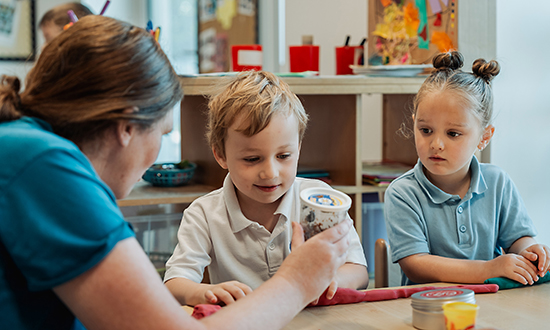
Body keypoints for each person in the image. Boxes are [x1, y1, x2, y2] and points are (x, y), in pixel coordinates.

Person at [0, 15, 353, 330]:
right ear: (127, 125)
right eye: (164, 133)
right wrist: (297, 281)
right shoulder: (43, 167)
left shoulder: (26, 150)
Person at [164, 71, 369, 306]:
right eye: (252, 159)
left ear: (298, 149)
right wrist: (205, 292)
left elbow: (358, 271)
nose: (270, 173)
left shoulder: (320, 200)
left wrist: (331, 280)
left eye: (284, 156)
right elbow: (175, 283)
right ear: (221, 155)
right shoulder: (204, 214)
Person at [384, 51, 550, 286]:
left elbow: (518, 239)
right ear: (414, 123)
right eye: (425, 130)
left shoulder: (497, 182)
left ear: (484, 136)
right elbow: (416, 265)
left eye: (453, 134)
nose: (436, 144)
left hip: (495, 304)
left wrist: (531, 251)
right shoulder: (402, 193)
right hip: (430, 308)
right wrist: (490, 268)